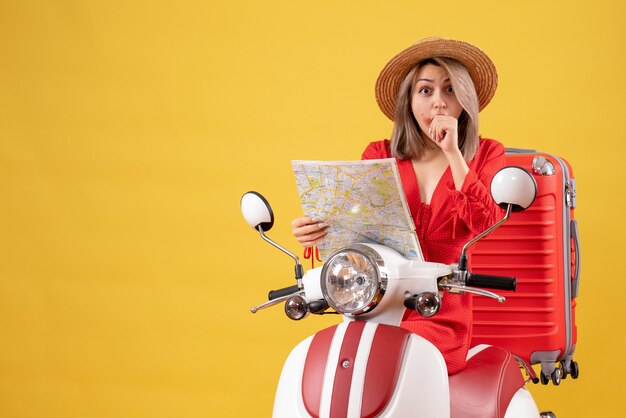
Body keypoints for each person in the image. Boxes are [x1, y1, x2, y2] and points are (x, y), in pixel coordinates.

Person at [291, 37, 506, 375]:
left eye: (450, 91)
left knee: (393, 362)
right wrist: (316, 232)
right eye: (425, 91)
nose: (438, 103)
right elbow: (355, 235)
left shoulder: (487, 154)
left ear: (466, 101)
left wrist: (454, 153)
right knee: (334, 362)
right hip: (374, 304)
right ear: (408, 99)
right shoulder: (379, 155)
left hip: (438, 310)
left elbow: (484, 223)